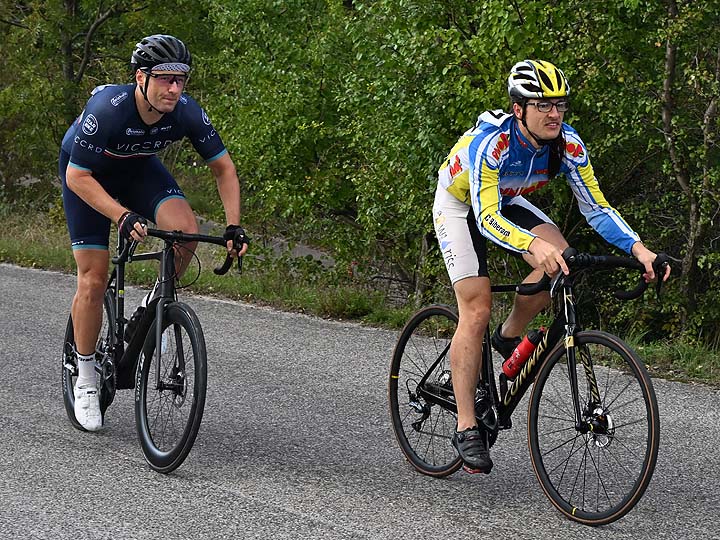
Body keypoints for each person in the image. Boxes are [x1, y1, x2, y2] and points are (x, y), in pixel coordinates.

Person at [432, 59, 670, 473]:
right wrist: (532, 245)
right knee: (476, 308)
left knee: (563, 261)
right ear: (518, 109)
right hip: (461, 205)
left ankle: (508, 337)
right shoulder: (493, 144)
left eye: (559, 104)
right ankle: (467, 425)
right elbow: (486, 219)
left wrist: (639, 249)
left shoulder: (568, 144)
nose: (554, 113)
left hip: (506, 199)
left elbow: (596, 208)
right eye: (542, 105)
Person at [59, 34, 247, 431]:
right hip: (88, 176)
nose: (174, 89)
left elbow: (224, 169)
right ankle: (87, 376)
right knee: (93, 277)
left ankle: (151, 308)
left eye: (181, 79)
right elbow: (77, 176)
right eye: (165, 79)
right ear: (141, 78)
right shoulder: (107, 110)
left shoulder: (186, 112)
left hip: (138, 169)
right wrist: (121, 216)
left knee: (186, 233)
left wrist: (233, 226)